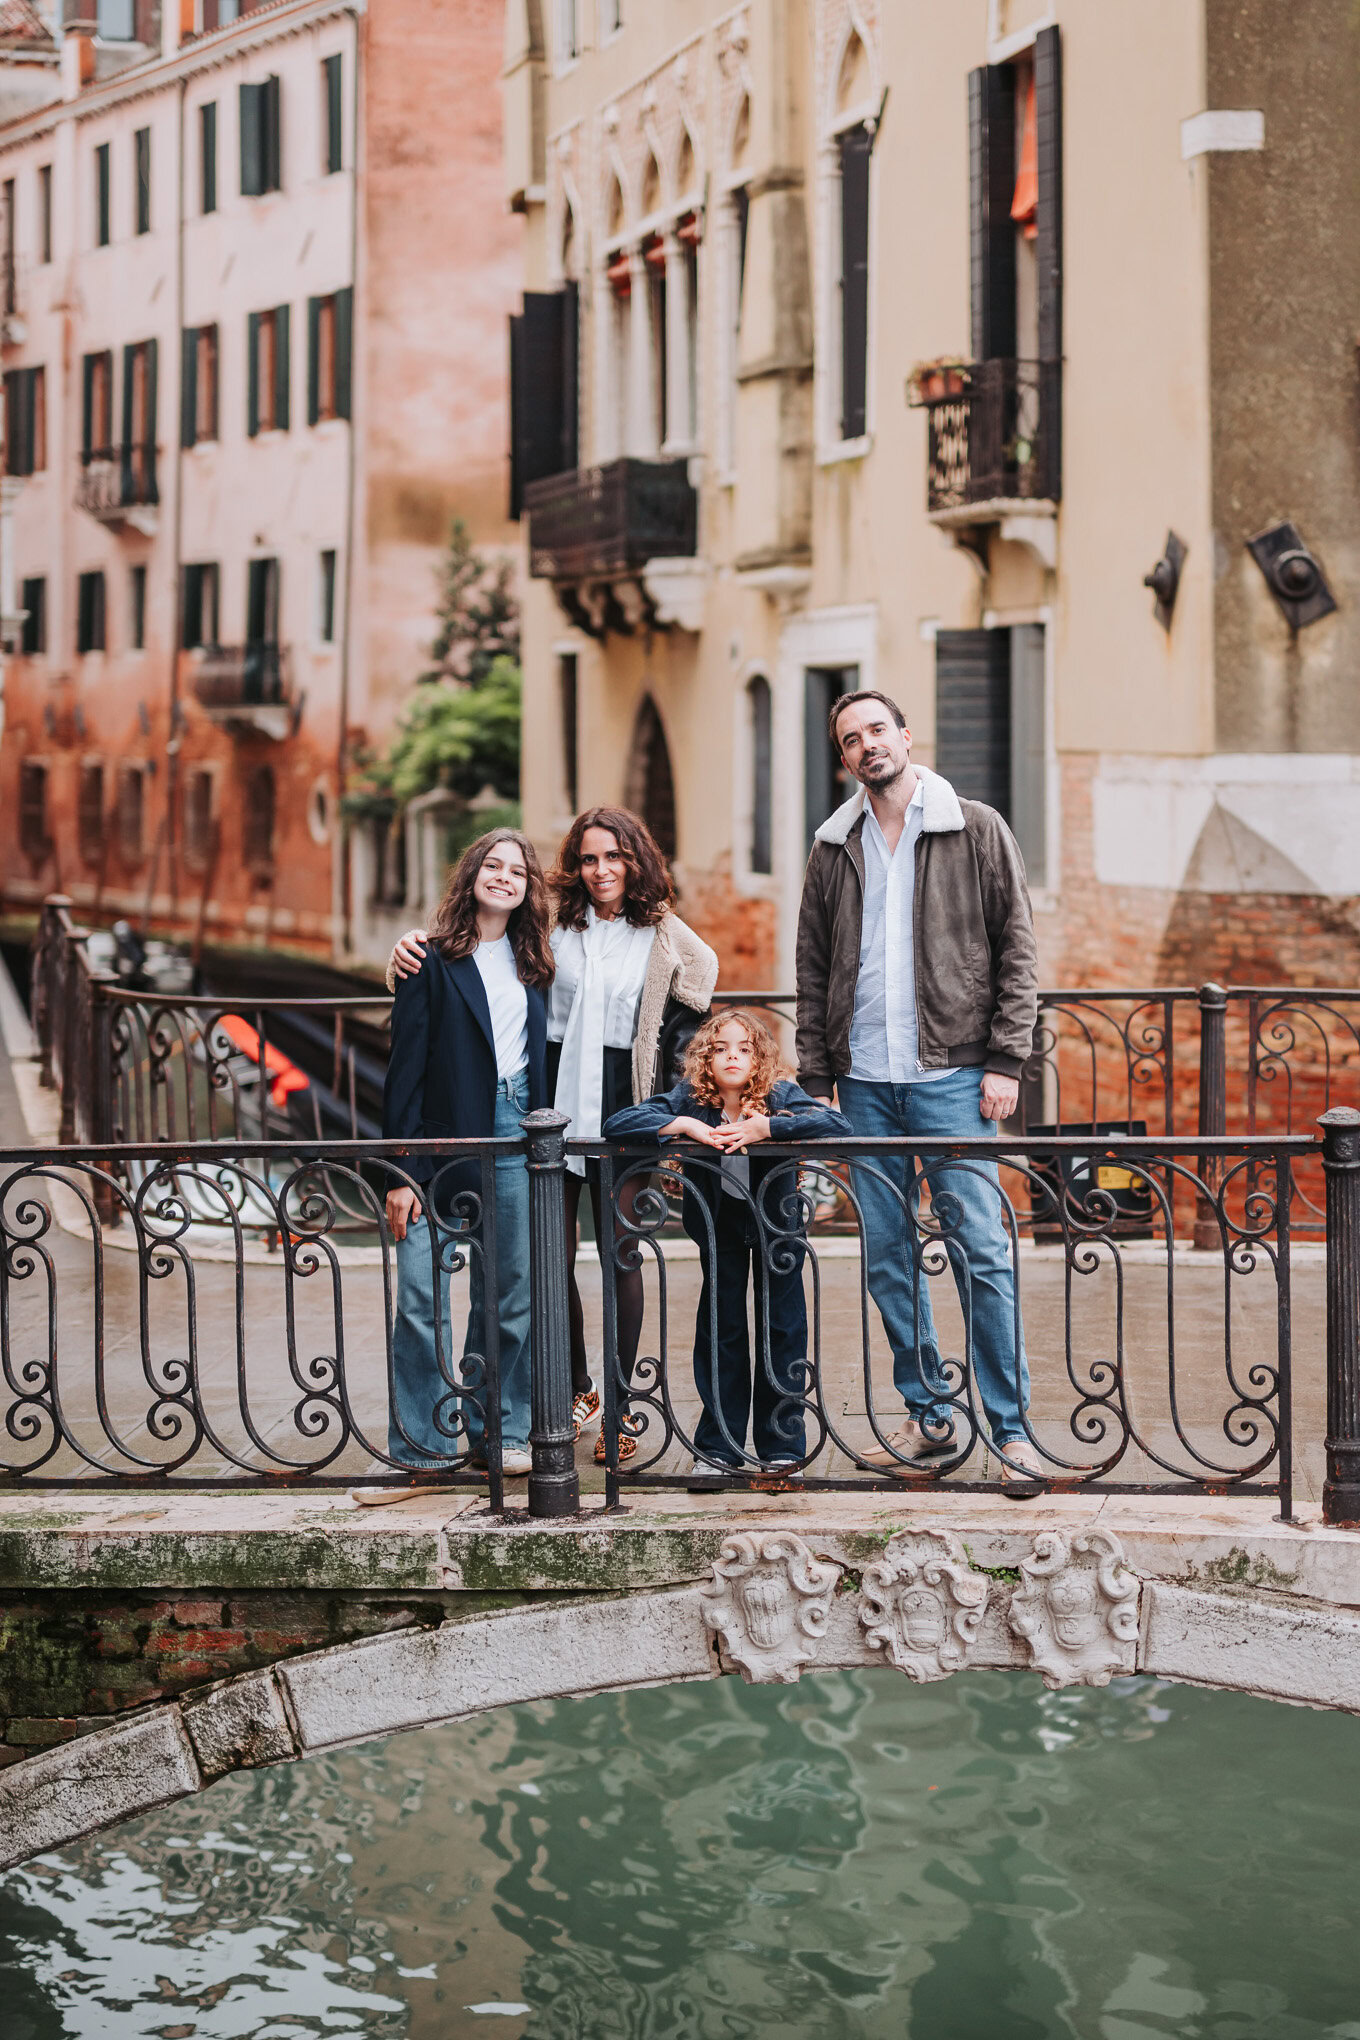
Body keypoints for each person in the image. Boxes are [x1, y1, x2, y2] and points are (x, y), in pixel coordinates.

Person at [387, 804, 717, 1465]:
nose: (602, 870)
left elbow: (700, 986)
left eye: (615, 857)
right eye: (590, 858)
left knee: (612, 1258)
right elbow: (459, 979)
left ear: (637, 861)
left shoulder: (659, 934)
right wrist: (399, 958)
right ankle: (570, 1392)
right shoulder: (550, 931)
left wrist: (683, 1100)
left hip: (623, 1109)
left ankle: (612, 1410)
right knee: (545, 1263)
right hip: (549, 1108)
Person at [795, 689, 1043, 1490]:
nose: (869, 746)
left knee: (983, 1254)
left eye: (878, 730)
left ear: (905, 736)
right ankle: (931, 1415)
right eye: (852, 739)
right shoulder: (834, 845)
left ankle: (1010, 1432)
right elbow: (810, 967)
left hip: (955, 1077)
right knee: (888, 1261)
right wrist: (817, 1079)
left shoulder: (975, 827)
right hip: (864, 1083)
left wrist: (1006, 1060)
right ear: (843, 759)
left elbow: (1017, 949)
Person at [361, 830, 553, 1501]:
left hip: (516, 1128)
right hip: (442, 1143)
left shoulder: (539, 963)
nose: (504, 877)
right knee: (421, 1296)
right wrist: (400, 1172)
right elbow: (403, 1073)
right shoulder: (430, 958)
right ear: (472, 873)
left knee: (510, 1293)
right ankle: (424, 1448)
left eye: (518, 871)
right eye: (493, 865)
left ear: (530, 888)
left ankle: (502, 1432)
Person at [605, 1010, 851, 1479]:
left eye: (744, 1048)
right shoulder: (693, 1100)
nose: (732, 1057)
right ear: (705, 1058)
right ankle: (719, 1448)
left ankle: (783, 1448)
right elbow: (621, 1122)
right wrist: (684, 1126)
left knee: (783, 1327)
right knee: (722, 1331)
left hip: (777, 1231)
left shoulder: (779, 1095)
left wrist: (768, 1128)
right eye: (721, 1049)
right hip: (719, 1232)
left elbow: (837, 1126)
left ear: (759, 1057)